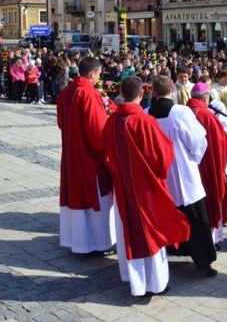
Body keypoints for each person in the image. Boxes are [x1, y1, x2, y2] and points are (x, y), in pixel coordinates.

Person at [104, 76, 191, 296]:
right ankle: (154, 283)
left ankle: (131, 277)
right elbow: (162, 156)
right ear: (142, 94)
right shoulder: (144, 121)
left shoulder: (112, 121)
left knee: (128, 230)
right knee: (150, 232)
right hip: (147, 190)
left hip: (123, 188)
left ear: (122, 93)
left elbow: (106, 153)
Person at [147, 76, 218, 277]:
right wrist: (192, 160)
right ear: (173, 89)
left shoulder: (146, 113)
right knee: (194, 217)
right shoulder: (181, 112)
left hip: (160, 176)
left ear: (154, 91)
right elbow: (198, 141)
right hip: (183, 173)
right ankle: (203, 262)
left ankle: (171, 251)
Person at [56, 57, 116, 256]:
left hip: (71, 153)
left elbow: (60, 123)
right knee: (95, 198)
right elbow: (97, 132)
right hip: (90, 158)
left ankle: (77, 241)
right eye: (99, 73)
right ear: (92, 74)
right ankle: (96, 244)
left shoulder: (66, 92)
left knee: (77, 195)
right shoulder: (88, 93)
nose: (100, 76)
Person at [188, 82, 227, 249]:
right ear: (206, 97)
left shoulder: (183, 112)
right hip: (208, 166)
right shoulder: (207, 115)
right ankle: (212, 240)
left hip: (190, 168)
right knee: (211, 198)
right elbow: (222, 143)